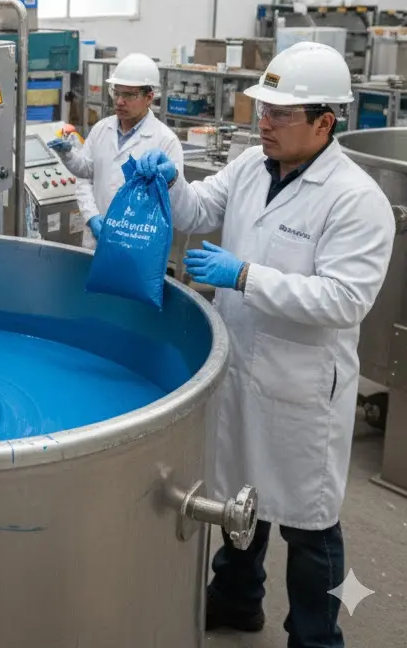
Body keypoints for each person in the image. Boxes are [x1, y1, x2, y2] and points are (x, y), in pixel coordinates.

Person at [134, 41, 394, 648]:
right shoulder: (253, 165)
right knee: (237, 497)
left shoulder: (357, 200)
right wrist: (170, 184)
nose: (263, 122)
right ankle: (236, 598)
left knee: (309, 526)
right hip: (242, 362)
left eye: (279, 114)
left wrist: (245, 276)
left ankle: (315, 635)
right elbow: (198, 211)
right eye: (262, 109)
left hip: (302, 383)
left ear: (324, 123)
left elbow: (344, 300)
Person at [56, 52, 182, 248]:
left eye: (129, 95)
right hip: (95, 242)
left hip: (137, 246)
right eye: (117, 92)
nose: (120, 101)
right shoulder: (101, 129)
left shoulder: (165, 141)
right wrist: (91, 216)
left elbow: (173, 202)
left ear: (149, 97)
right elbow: (85, 175)